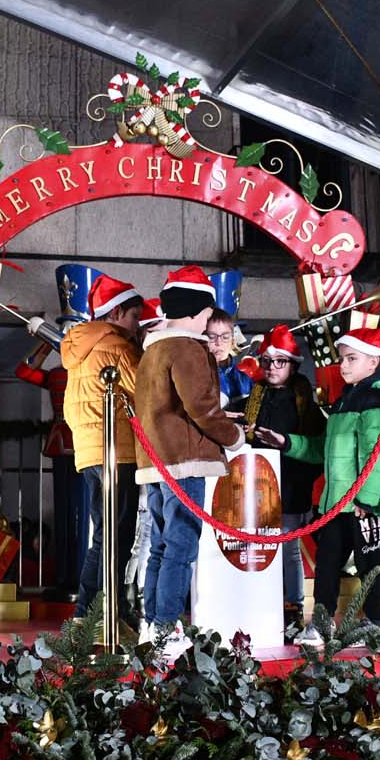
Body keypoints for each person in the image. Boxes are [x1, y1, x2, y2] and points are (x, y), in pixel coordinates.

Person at [255, 328, 380, 645]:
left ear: (374, 361)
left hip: (363, 502)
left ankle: (376, 624)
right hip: (337, 501)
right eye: (342, 358)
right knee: (327, 565)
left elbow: (378, 454)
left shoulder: (378, 398)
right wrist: (287, 443)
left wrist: (368, 499)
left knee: (371, 563)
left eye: (352, 358)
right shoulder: (347, 398)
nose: (343, 365)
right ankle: (322, 622)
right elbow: (325, 449)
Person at [134, 266, 244, 656]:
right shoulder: (188, 348)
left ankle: (152, 624)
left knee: (162, 546)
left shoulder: (152, 349)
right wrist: (234, 437)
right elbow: (200, 407)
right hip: (186, 461)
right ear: (200, 311)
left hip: (155, 460)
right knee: (181, 546)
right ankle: (166, 629)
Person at [60, 273, 143, 624]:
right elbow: (144, 390)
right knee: (116, 535)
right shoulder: (116, 346)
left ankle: (96, 612)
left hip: (89, 451)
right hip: (117, 450)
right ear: (117, 312)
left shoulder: (80, 346)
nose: (137, 323)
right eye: (135, 316)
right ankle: (93, 613)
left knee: (104, 532)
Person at [242, 325, 324, 622]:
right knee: (256, 544)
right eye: (266, 361)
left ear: (292, 364)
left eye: (280, 361)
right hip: (257, 483)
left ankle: (293, 603)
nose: (272, 368)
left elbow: (316, 448)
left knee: (289, 548)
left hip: (291, 484)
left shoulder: (303, 401)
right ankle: (259, 597)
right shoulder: (256, 394)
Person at [205, 308, 252, 407]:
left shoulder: (245, 381)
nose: (218, 343)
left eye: (225, 337)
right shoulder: (195, 377)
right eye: (212, 337)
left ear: (233, 341)